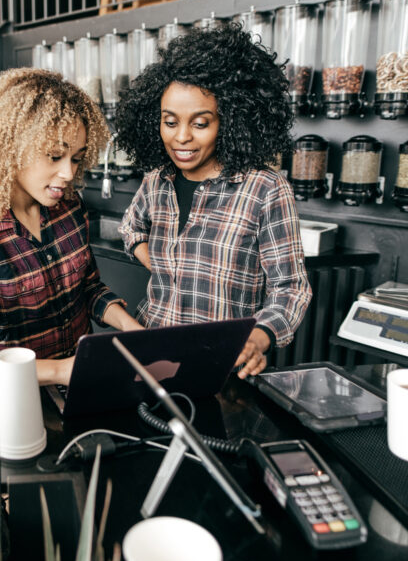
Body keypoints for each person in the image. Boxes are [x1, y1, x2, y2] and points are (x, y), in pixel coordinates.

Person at [115, 25, 312, 379]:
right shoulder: (156, 181)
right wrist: (164, 263)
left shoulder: (265, 189)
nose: (181, 137)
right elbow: (131, 227)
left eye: (201, 123)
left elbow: (291, 287)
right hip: (153, 352)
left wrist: (258, 337)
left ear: (231, 121)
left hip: (222, 363)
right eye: (169, 121)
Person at [0, 68, 142, 385]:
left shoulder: (69, 208)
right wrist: (61, 371)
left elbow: (88, 287)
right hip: (21, 406)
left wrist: (132, 328)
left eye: (76, 158)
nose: (68, 173)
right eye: (55, 156)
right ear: (10, 147)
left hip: (83, 387)